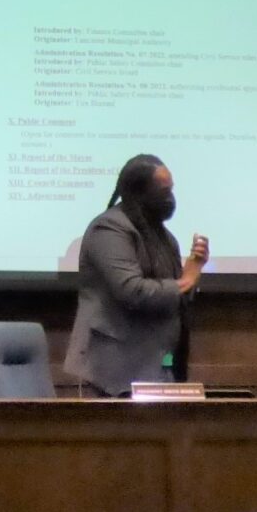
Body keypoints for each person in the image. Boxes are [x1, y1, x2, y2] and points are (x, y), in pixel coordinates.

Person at [63, 154, 207, 396]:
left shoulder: (164, 237)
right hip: (115, 371)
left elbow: (173, 293)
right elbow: (132, 291)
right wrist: (187, 280)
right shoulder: (108, 229)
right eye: (163, 191)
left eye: (171, 189)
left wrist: (193, 267)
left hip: (159, 366)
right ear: (139, 192)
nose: (170, 198)